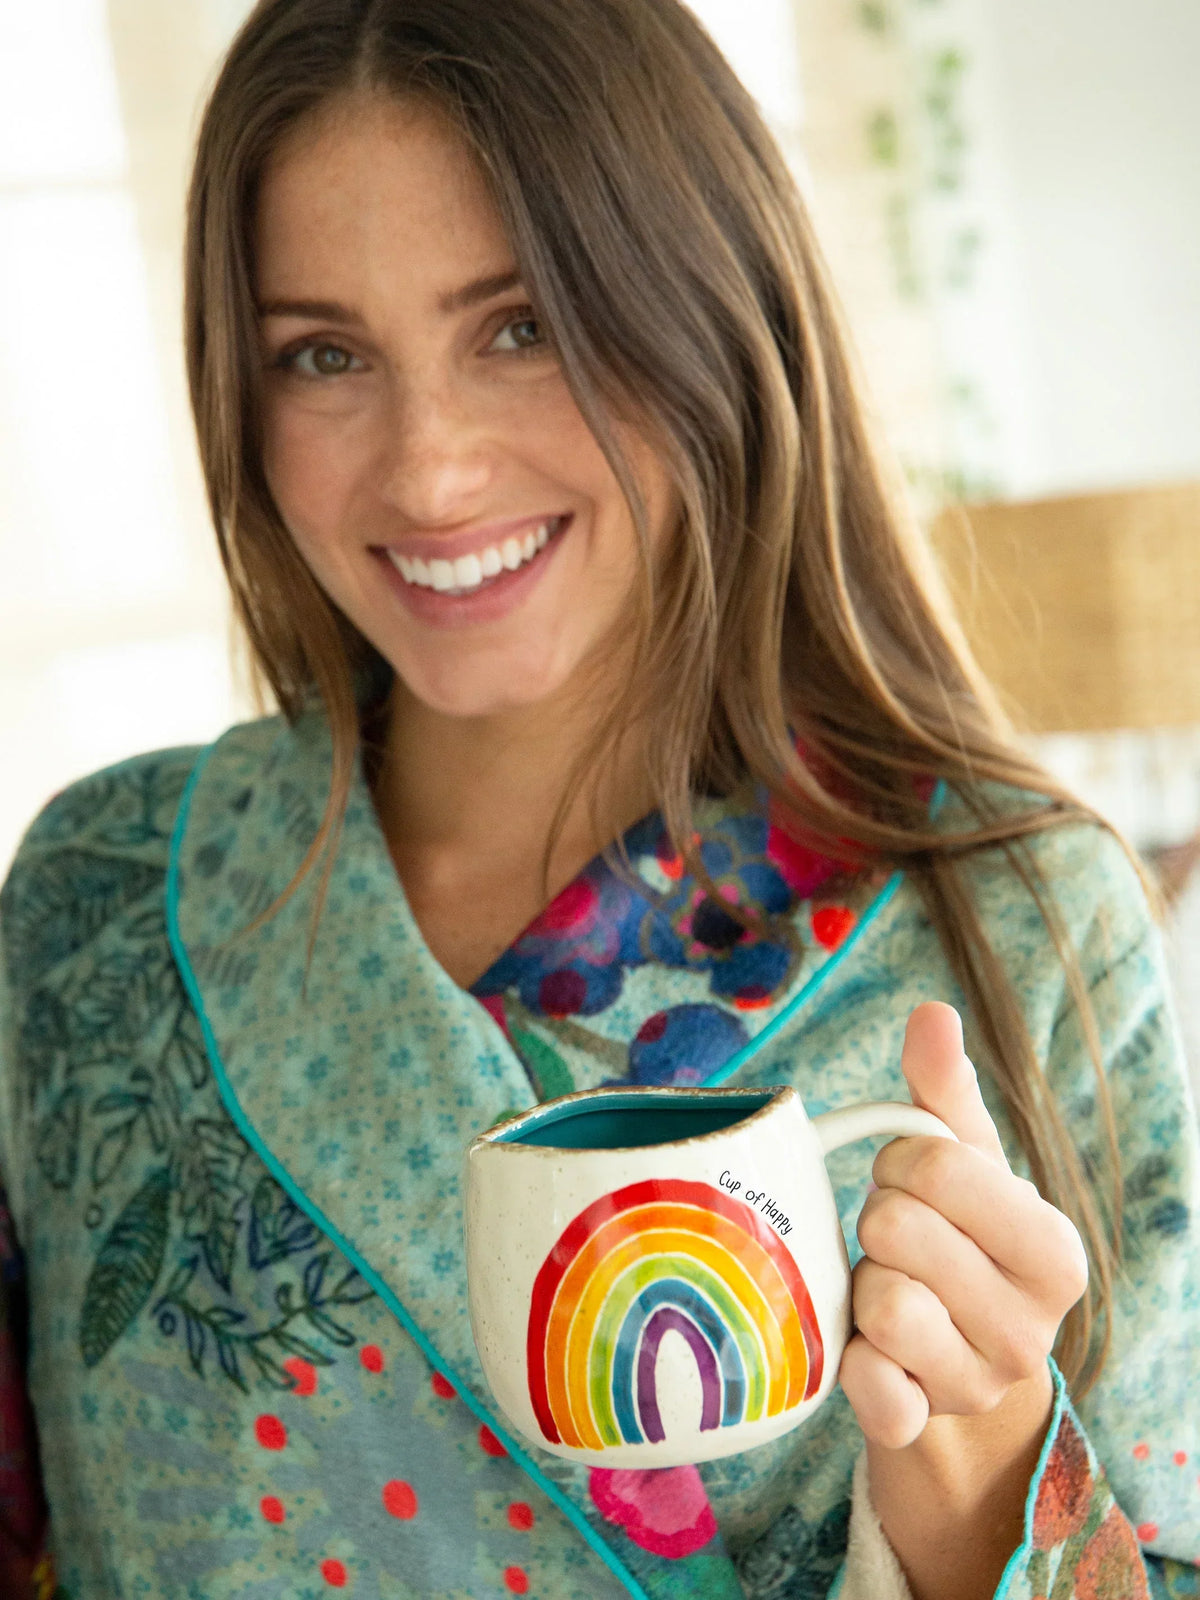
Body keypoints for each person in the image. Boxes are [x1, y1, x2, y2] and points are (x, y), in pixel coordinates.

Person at [0, 1, 1196, 1596]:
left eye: (522, 325)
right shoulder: (98, 894)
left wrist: (977, 1488)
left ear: (707, 308)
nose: (427, 472)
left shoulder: (1019, 917)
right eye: (325, 355)